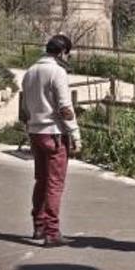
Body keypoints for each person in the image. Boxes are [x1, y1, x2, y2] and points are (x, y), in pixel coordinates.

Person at [19, 34, 81, 247]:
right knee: (55, 183)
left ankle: (38, 225)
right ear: (63, 52)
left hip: (35, 132)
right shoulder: (57, 72)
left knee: (41, 180)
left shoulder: (30, 72)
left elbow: (24, 108)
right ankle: (52, 231)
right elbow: (65, 108)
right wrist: (75, 133)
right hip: (54, 132)